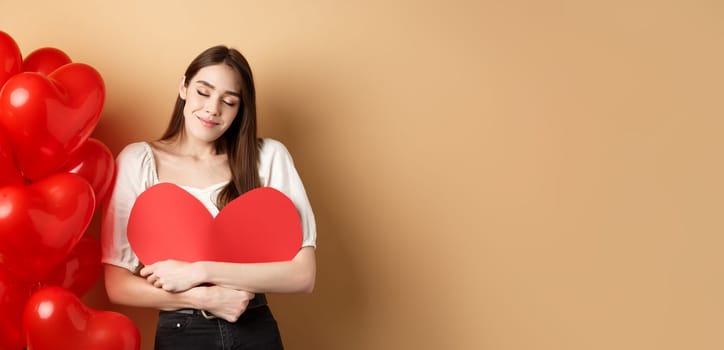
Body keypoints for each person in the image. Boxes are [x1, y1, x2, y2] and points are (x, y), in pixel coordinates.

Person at [101, 45, 317, 350]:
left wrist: (199, 271)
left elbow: (302, 275)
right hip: (182, 331)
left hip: (255, 327)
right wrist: (203, 297)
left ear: (240, 109)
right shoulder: (138, 161)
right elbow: (117, 285)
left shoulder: (268, 158)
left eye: (228, 101)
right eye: (203, 92)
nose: (213, 109)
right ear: (184, 87)